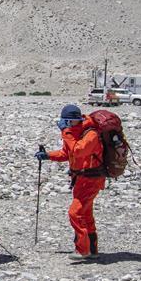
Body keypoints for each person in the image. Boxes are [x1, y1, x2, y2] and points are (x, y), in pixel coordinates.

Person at [35, 104, 104, 260]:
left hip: (91, 179)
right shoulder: (74, 133)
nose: (66, 125)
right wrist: (48, 155)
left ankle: (83, 250)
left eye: (68, 122)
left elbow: (78, 151)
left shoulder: (90, 134)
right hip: (81, 179)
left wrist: (65, 132)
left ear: (76, 120)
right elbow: (67, 153)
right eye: (64, 122)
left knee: (75, 213)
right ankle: (92, 250)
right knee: (85, 214)